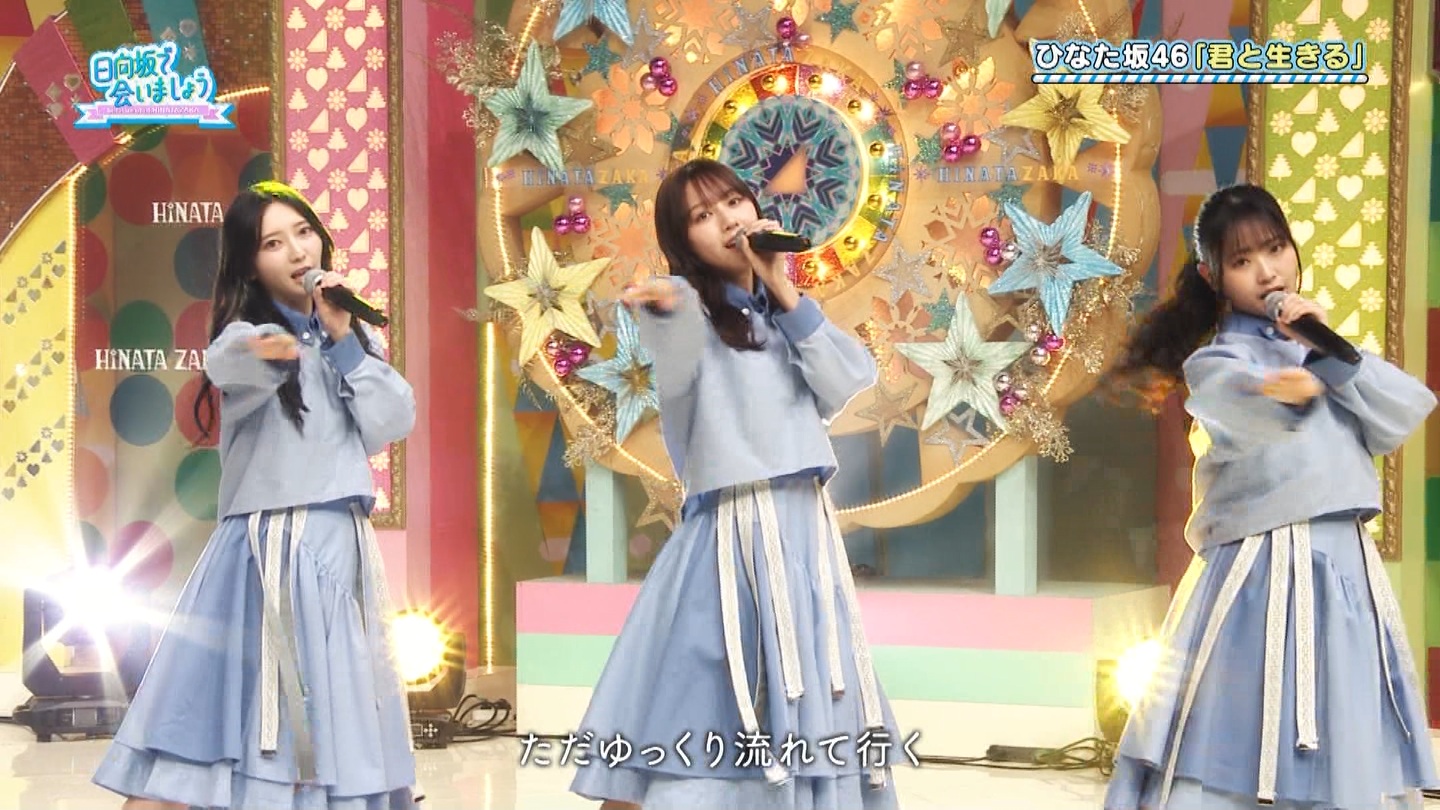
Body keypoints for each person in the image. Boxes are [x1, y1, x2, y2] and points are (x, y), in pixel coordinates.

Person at [568, 159, 901, 810]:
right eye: (702, 215)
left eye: (733, 201)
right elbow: (675, 337)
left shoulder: (788, 316)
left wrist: (780, 285)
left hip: (804, 534)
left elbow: (847, 380)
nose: (726, 220)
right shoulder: (689, 308)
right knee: (701, 691)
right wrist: (663, 305)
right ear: (683, 240)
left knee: (808, 684)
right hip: (732, 535)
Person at [1104, 183, 1438, 809]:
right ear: (1213, 276)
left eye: (1276, 249)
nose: (1268, 272)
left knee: (1343, 724)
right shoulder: (1217, 362)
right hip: (1259, 573)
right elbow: (1239, 407)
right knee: (1238, 728)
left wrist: (1325, 349)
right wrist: (1281, 389)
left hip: (1342, 568)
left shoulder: (1326, 354)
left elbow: (1403, 409)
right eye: (1242, 260)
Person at [92, 181, 419, 809]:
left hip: (341, 553)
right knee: (216, 734)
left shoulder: (350, 340)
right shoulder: (244, 335)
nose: (297, 251)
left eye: (303, 232)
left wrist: (345, 343)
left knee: (330, 744)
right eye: (273, 243)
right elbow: (229, 362)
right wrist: (276, 348)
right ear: (249, 263)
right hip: (270, 558)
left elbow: (392, 420)